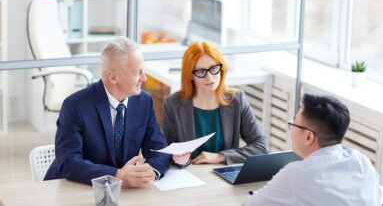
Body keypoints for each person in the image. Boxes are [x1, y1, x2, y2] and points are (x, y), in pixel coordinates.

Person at [44, 37, 170, 187]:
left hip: (120, 192)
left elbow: (159, 148)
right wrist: (116, 175)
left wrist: (151, 171)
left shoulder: (144, 101)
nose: (144, 78)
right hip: (74, 187)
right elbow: (68, 162)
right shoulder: (75, 106)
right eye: (138, 72)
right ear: (113, 77)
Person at [242, 93, 381, 206]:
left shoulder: (295, 175)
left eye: (293, 124)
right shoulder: (363, 162)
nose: (291, 131)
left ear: (308, 137)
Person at [162, 41, 267, 165]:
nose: (210, 77)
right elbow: (167, 149)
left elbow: (261, 147)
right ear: (190, 75)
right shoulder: (173, 104)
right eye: (201, 72)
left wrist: (220, 156)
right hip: (190, 173)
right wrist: (176, 157)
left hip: (224, 172)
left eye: (214, 68)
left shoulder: (237, 100)